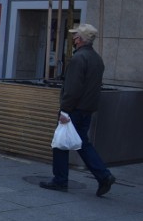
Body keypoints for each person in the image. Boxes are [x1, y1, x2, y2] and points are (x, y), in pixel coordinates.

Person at [40, 24, 115, 196]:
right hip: (87, 109)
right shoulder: (96, 59)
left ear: (80, 40)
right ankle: (103, 176)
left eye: (75, 37)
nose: (73, 39)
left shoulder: (78, 59)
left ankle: (61, 180)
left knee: (60, 144)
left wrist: (64, 111)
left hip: (74, 109)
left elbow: (72, 88)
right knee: (82, 144)